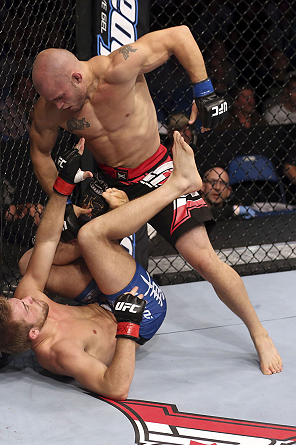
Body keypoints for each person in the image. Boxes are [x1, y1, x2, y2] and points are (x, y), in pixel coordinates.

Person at [28, 26, 282, 377]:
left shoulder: (119, 68)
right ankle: (104, 309)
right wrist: (66, 201)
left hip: (157, 171)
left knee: (204, 260)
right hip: (106, 185)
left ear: (76, 75)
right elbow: (40, 153)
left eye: (60, 97)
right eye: (51, 101)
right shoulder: (51, 108)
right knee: (58, 253)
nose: (58, 107)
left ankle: (258, 330)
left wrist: (204, 91)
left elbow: (179, 35)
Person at [0, 134, 282, 402]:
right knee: (90, 235)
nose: (29, 297)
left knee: (30, 262)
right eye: (25, 307)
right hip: (142, 309)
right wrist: (128, 326)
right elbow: (115, 387)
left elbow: (47, 241)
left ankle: (107, 231)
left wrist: (63, 185)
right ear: (34, 334)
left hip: (101, 298)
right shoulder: (62, 352)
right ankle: (176, 185)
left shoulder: (29, 301)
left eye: (20, 300)